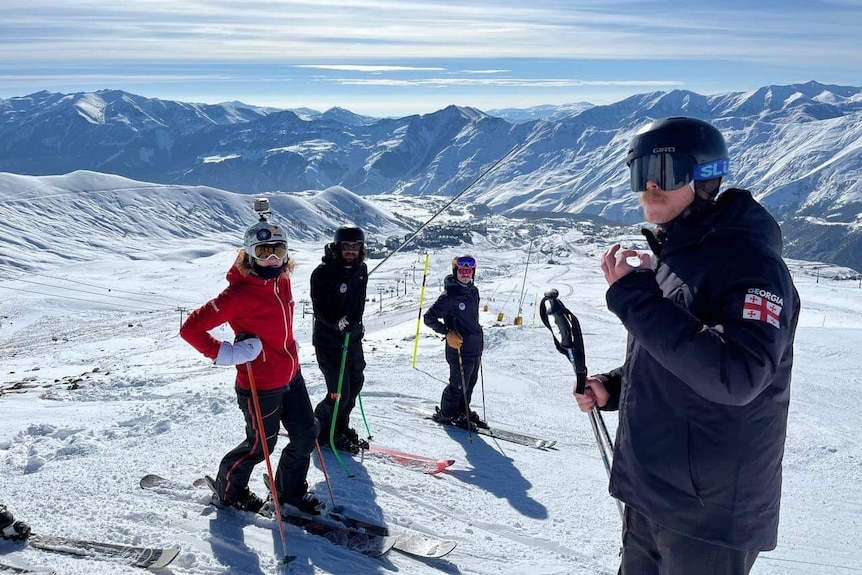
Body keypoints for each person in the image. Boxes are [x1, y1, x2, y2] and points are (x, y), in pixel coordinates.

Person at [575, 116, 800, 575]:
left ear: (704, 177)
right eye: (641, 172)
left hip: (708, 516)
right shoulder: (676, 256)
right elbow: (677, 351)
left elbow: (736, 376)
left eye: (668, 170)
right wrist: (614, 388)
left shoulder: (751, 265)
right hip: (652, 493)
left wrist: (635, 301)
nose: (651, 185)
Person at [180, 214, 322, 515]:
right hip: (260, 384)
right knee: (260, 447)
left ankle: (288, 491)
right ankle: (229, 489)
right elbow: (190, 328)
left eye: (279, 251)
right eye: (263, 252)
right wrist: (227, 353)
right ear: (248, 254)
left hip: (291, 375)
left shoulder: (281, 280)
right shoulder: (238, 294)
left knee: (307, 434)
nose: (272, 259)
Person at [311, 225, 369, 454]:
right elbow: (319, 309)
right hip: (329, 342)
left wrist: (356, 324)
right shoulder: (322, 273)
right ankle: (321, 428)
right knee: (338, 392)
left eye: (355, 246)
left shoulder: (361, 269)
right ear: (337, 247)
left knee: (354, 385)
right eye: (346, 246)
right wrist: (338, 322)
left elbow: (359, 302)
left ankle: (340, 427)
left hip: (352, 339)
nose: (351, 251)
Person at [424, 254, 487, 431]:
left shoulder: (473, 291)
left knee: (469, 384)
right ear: (455, 271)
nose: (465, 274)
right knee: (458, 384)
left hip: (474, 347)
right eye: (462, 270)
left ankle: (462, 411)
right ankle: (446, 413)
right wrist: (447, 332)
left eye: (469, 271)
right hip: (458, 348)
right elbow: (429, 318)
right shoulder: (449, 296)